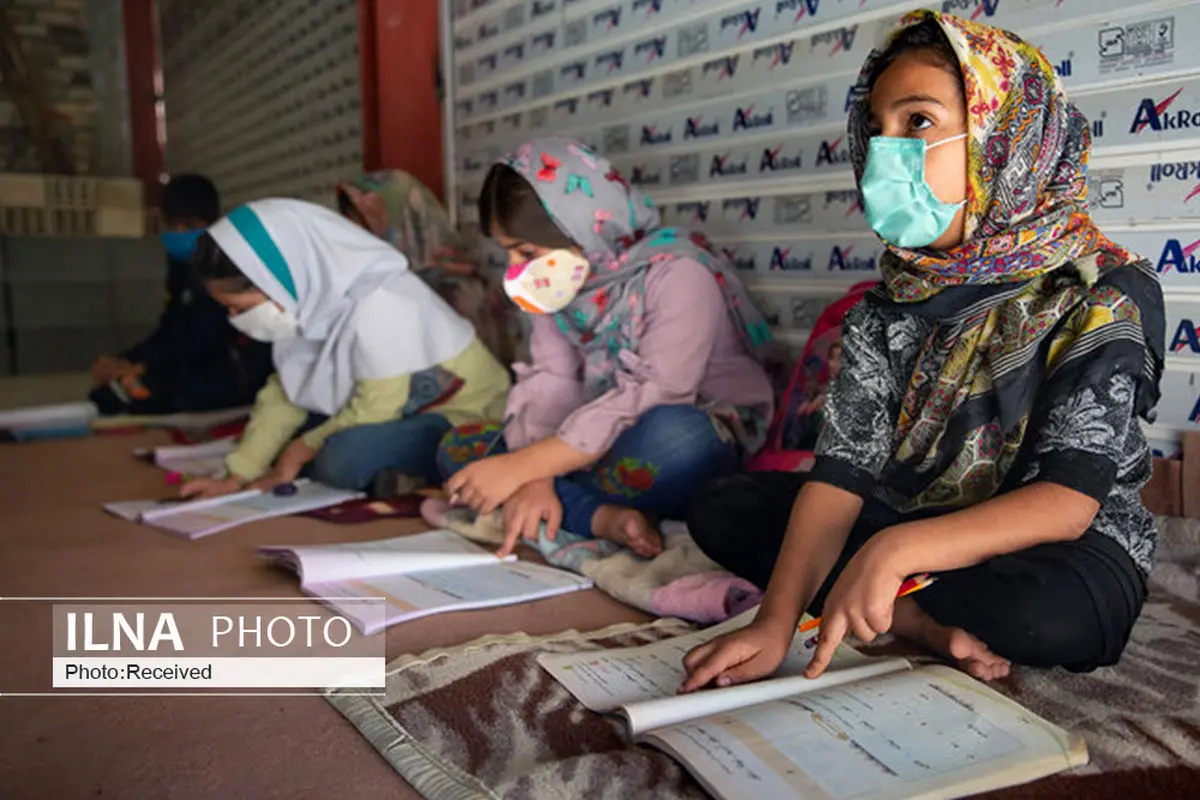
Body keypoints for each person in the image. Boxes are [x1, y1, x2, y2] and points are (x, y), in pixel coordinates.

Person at [680, 11, 1165, 693]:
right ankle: (911, 617)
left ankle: (885, 587)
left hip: (1052, 543)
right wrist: (774, 623)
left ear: (1004, 138)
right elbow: (843, 474)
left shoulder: (1097, 294)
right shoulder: (886, 306)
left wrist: (892, 547)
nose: (888, 151)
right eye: (877, 130)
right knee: (724, 504)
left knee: (1051, 617)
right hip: (914, 511)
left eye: (917, 123)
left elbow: (1066, 502)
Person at [439, 136, 775, 559]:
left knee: (676, 437)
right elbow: (552, 382)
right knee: (461, 451)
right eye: (507, 254)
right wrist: (533, 476)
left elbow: (659, 391)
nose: (515, 270)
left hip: (668, 436)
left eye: (525, 252)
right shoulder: (550, 286)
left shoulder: (679, 274)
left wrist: (523, 467)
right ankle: (602, 517)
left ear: (579, 227)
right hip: (581, 444)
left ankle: (568, 505)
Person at [179, 198, 511, 498]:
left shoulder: (382, 301)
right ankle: (392, 475)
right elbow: (286, 393)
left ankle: (413, 474)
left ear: (277, 279)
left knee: (343, 457)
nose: (234, 320)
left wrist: (299, 450)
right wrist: (238, 474)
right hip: (389, 411)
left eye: (240, 308)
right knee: (308, 439)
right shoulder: (306, 300)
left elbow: (377, 409)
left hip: (460, 415)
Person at [89, 174, 272, 415]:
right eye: (172, 225)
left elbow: (209, 334)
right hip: (184, 362)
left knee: (134, 397)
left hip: (228, 367)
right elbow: (171, 325)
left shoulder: (227, 264)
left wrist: (145, 367)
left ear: (213, 222)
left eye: (189, 225)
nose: (178, 233)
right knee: (106, 394)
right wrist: (126, 360)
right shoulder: (180, 262)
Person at [337, 170, 518, 366]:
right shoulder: (392, 286)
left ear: (402, 221)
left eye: (366, 227)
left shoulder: (452, 291)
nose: (356, 238)